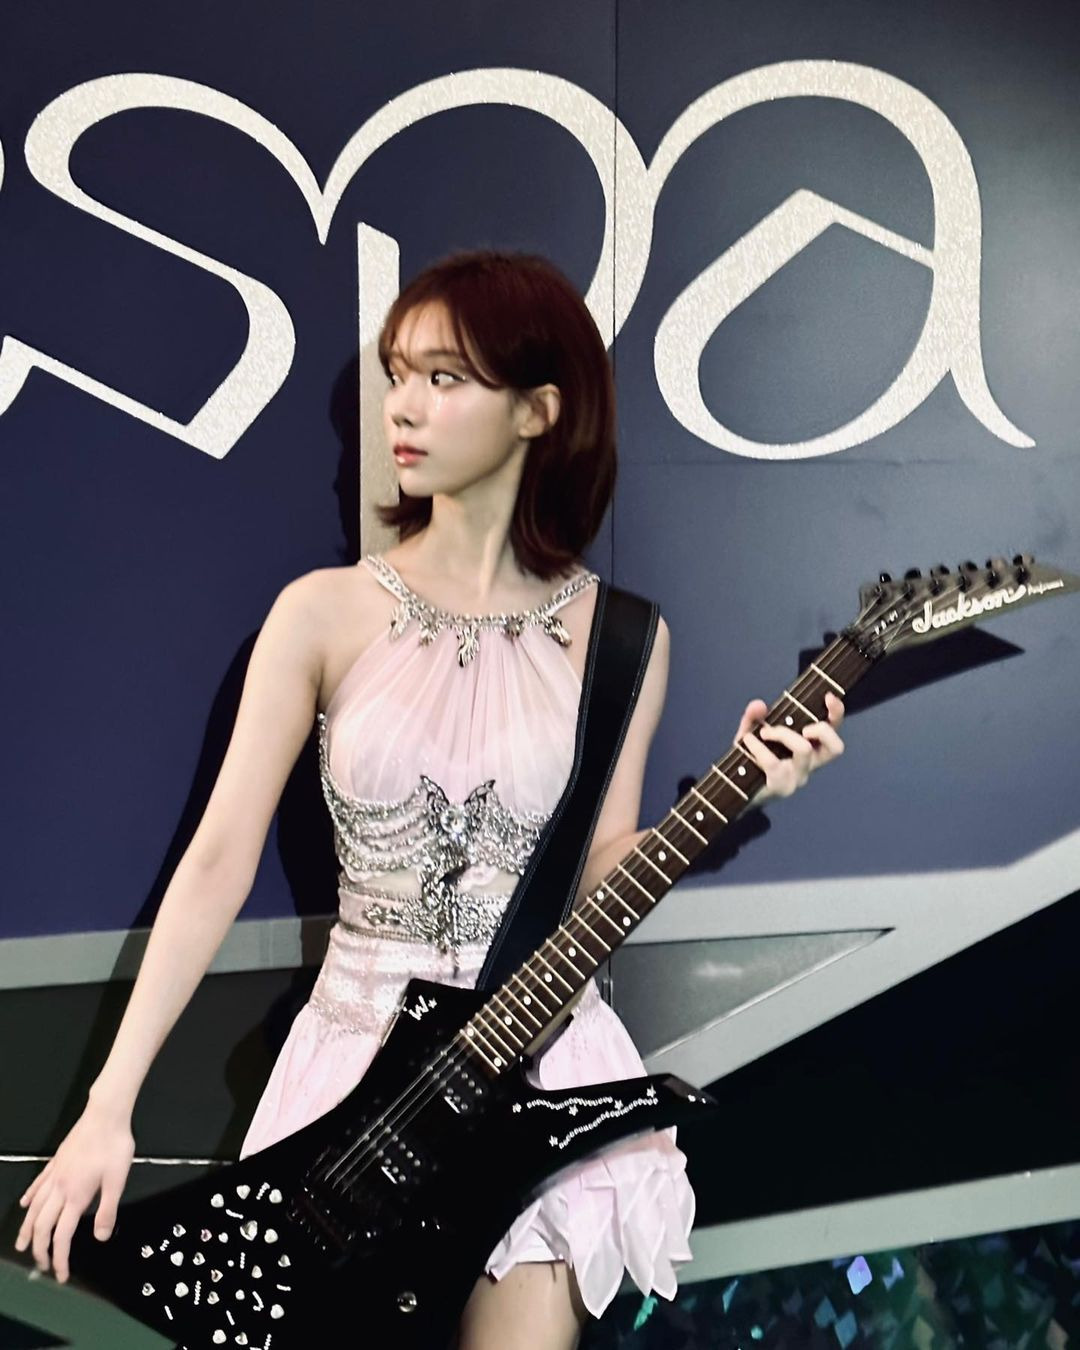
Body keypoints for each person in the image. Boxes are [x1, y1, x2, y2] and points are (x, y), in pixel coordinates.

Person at [14, 248, 844, 1348]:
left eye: (445, 378)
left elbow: (594, 872)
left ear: (539, 409)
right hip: (359, 1076)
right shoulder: (322, 612)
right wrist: (108, 1107)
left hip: (536, 1070)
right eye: (398, 374)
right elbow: (216, 860)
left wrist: (734, 797)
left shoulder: (625, 639)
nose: (402, 407)